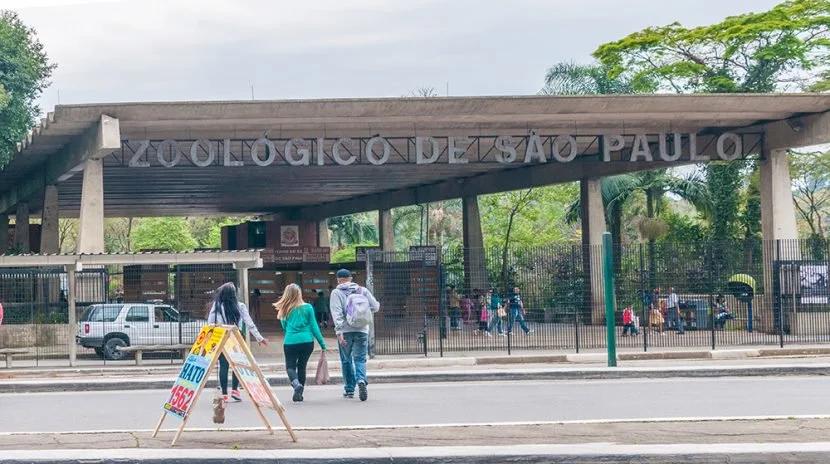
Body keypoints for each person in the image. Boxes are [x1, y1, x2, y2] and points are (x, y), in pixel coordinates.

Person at [208, 282, 269, 403]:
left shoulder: (217, 306)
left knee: (223, 366)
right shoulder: (240, 306)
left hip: (222, 337)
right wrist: (259, 338)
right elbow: (249, 323)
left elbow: (210, 323)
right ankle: (235, 390)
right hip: (236, 337)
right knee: (237, 364)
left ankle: (224, 394)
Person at [330, 269, 380, 401]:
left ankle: (349, 389)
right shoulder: (362, 290)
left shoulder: (336, 293)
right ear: (351, 278)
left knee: (346, 360)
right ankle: (361, 380)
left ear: (338, 280)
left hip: (345, 332)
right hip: (362, 330)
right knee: (360, 358)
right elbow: (376, 307)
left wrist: (339, 332)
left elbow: (337, 314)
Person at [275, 283, 327, 402]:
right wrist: (322, 344)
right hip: (307, 341)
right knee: (302, 367)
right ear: (299, 294)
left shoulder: (284, 309)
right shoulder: (308, 307)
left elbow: (284, 326)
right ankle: (300, 393)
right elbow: (314, 327)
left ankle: (296, 384)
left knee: (290, 367)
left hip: (290, 341)